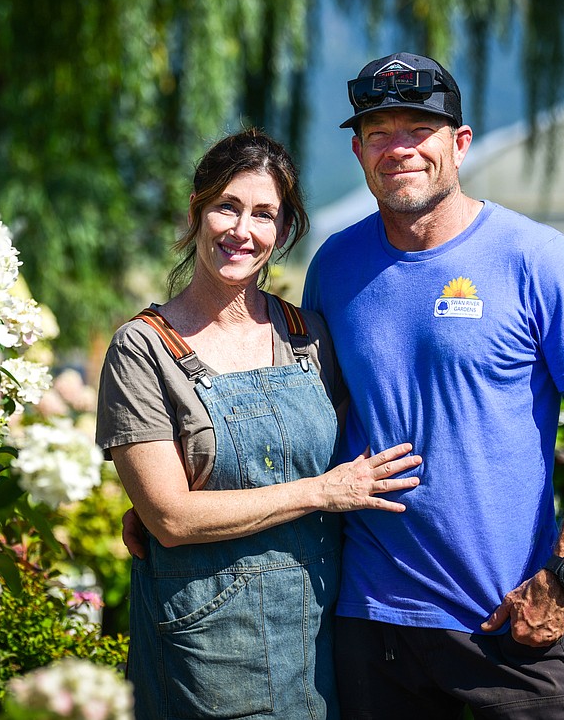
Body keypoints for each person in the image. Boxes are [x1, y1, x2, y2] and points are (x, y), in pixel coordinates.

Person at [300, 51, 564, 719]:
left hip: (510, 624)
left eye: (418, 129)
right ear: (357, 149)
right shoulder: (336, 264)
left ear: (459, 144)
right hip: (373, 627)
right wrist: (182, 503)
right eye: (379, 133)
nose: (398, 148)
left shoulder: (536, 259)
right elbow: (309, 413)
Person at [95, 128, 422, 720]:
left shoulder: (310, 337)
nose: (243, 231)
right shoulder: (142, 350)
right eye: (228, 206)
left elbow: (360, 445)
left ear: (284, 230)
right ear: (197, 211)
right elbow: (169, 518)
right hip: (205, 652)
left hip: (319, 637)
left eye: (264, 214)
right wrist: (322, 492)